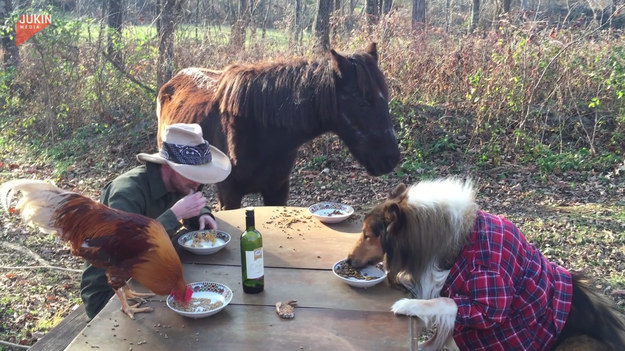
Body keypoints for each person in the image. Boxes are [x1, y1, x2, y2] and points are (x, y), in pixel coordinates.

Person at [80, 123, 231, 319]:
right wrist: (174, 215)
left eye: (200, 176)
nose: (197, 183)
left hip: (150, 279)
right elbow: (124, 250)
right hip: (111, 293)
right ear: (167, 166)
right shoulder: (127, 192)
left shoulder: (181, 183)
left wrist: (202, 213)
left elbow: (190, 195)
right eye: (192, 174)